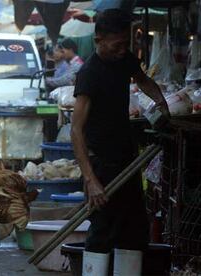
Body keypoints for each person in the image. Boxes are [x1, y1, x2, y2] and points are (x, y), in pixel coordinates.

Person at [71, 9, 169, 276]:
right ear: (99, 40)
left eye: (126, 44)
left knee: (134, 228)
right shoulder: (89, 73)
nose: (122, 50)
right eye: (116, 45)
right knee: (102, 229)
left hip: (127, 157)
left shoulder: (124, 58)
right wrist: (91, 180)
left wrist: (161, 101)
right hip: (101, 163)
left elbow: (143, 80)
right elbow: (76, 131)